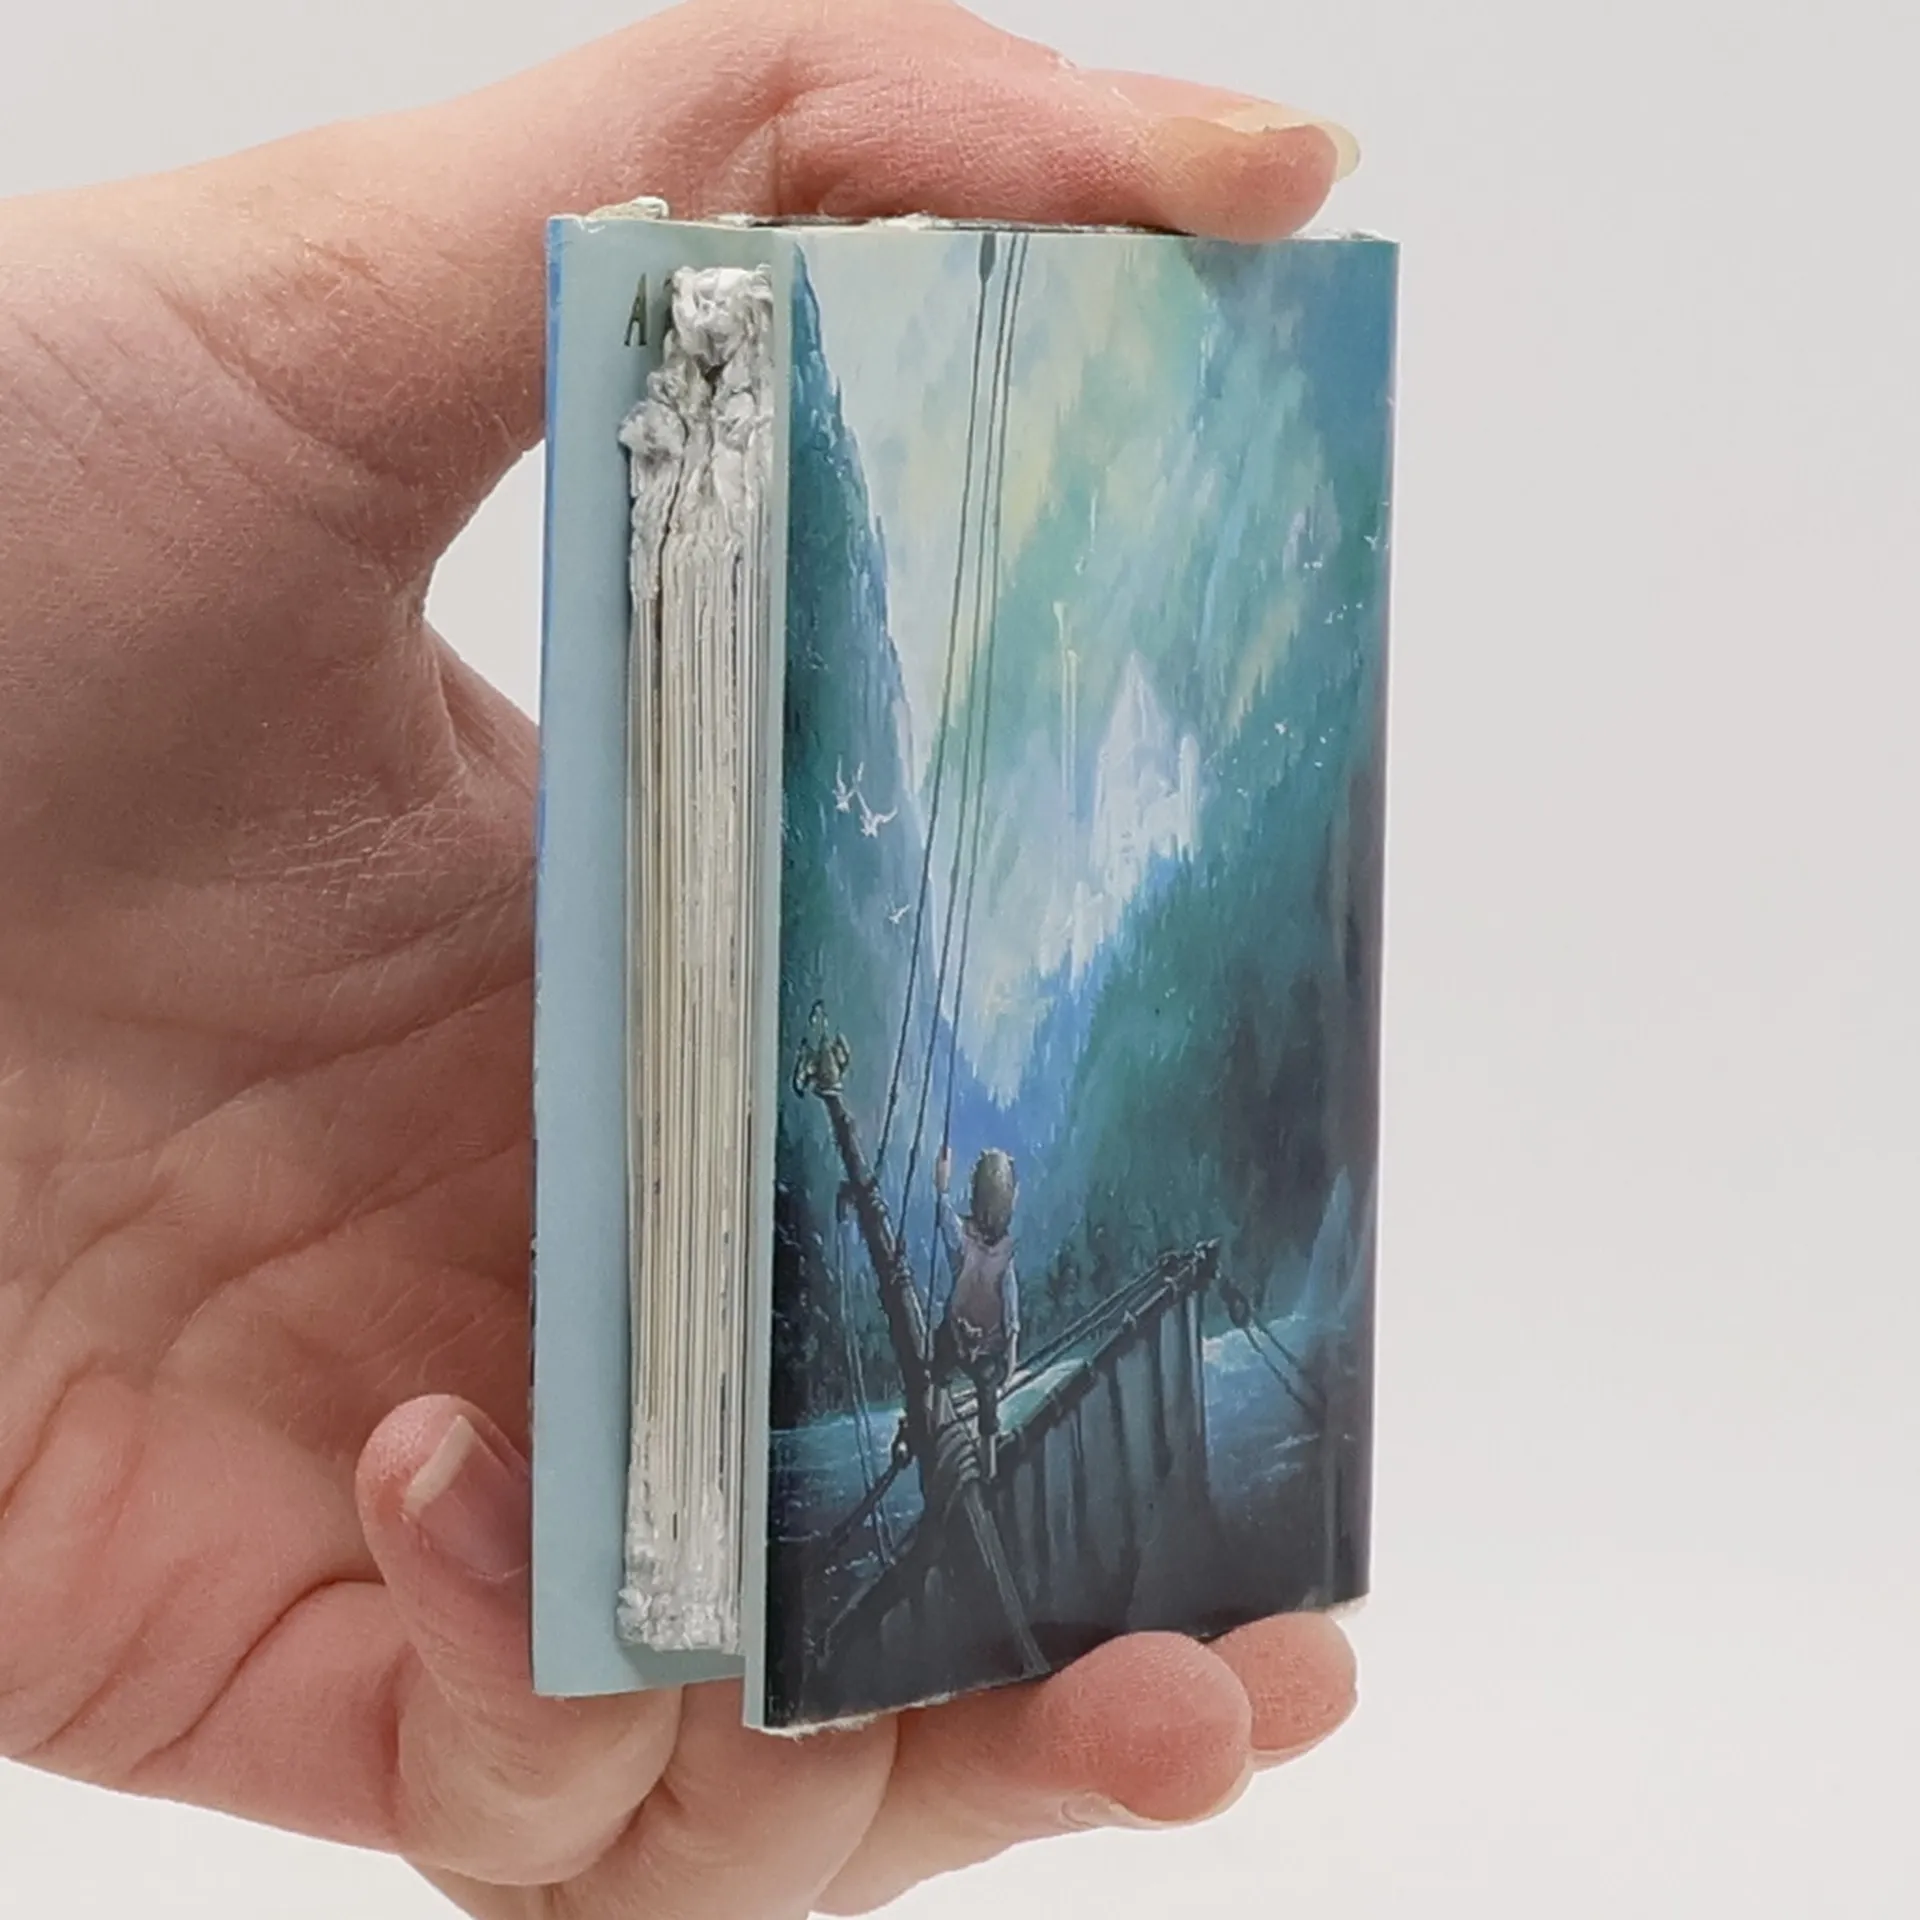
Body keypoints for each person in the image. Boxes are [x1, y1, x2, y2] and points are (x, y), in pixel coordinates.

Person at [0, 0, 1360, 1911]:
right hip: (921, 1346)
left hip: (929, 1350)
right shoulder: (970, 1234)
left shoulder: (974, 1244)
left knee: (818, 1649)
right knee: (767, 1666)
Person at [932, 1144, 1021, 1468]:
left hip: (972, 1343)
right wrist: (1011, 1359)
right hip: (973, 1344)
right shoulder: (995, 1253)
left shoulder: (966, 1242)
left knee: (945, 1371)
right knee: (981, 1393)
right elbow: (1011, 1315)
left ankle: (942, 1423)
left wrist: (942, 1187)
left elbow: (1011, 1313)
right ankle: (988, 1462)